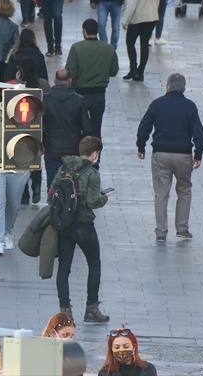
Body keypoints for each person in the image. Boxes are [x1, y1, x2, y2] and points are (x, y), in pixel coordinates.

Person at [136, 73, 203, 241]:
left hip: (161, 154)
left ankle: (161, 232)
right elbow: (198, 132)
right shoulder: (190, 106)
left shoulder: (157, 104)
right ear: (184, 88)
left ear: (167, 86)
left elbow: (144, 127)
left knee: (161, 194)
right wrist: (198, 154)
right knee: (184, 190)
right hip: (183, 155)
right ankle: (182, 228)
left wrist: (141, 146)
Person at [52, 136, 112, 324]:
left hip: (64, 224)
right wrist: (105, 197)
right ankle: (92, 309)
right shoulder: (92, 173)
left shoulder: (63, 168)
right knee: (94, 263)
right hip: (83, 224)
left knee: (64, 267)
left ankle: (65, 311)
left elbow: (52, 192)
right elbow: (93, 202)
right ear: (95, 153)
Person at [121, 0, 161, 82]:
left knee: (130, 43)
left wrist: (125, 21)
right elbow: (157, 2)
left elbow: (131, 5)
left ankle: (133, 68)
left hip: (137, 19)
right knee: (144, 44)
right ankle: (140, 72)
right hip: (151, 18)